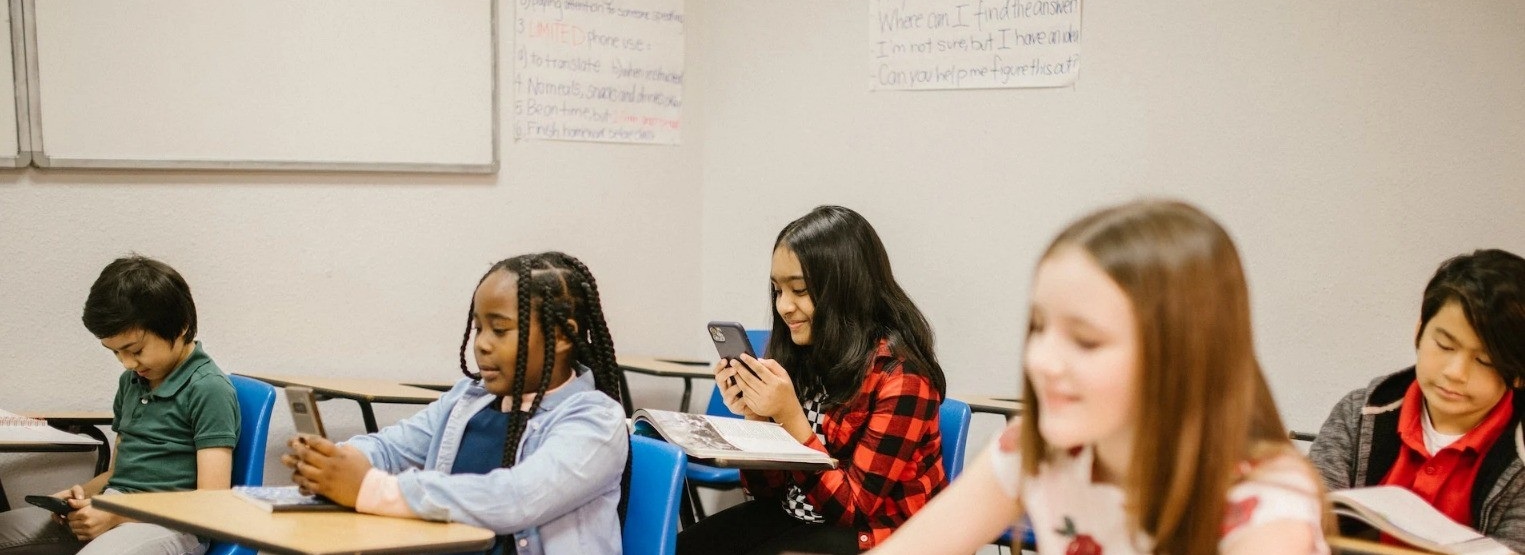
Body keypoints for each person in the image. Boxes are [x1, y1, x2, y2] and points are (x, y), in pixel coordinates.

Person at [873, 200, 1328, 555]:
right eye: (1038, 327)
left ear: (1181, 355)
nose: (1042, 360)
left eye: (1086, 341)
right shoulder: (1037, 450)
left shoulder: (1266, 505)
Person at [283, 252, 628, 555]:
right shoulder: (469, 399)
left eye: (500, 330)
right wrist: (333, 463)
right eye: (478, 328)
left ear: (561, 335)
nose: (482, 345)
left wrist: (372, 488)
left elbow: (514, 499)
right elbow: (392, 447)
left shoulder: (593, 421)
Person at [678, 205, 948, 554]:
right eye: (777, 290)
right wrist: (758, 419)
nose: (784, 306)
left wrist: (790, 419)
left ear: (847, 289)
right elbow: (767, 493)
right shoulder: (802, 354)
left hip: (877, 538)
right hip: (799, 519)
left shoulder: (903, 378)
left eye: (800, 290)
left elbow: (852, 511)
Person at [0, 255, 240, 555]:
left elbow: (212, 502)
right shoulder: (132, 382)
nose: (127, 363)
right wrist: (82, 496)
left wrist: (115, 512)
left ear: (181, 327)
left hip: (172, 526)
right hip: (113, 507)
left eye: (135, 350)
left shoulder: (209, 389)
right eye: (115, 353)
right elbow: (117, 475)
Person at [1311, 249, 1525, 551]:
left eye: (1484, 361)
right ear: (1419, 332)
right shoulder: (1358, 415)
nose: (1455, 373)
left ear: (1518, 375)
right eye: (1444, 345)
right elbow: (1306, 523)